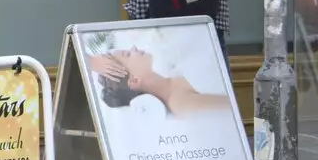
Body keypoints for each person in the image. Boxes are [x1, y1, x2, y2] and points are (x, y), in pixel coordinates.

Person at [86, 46, 234, 118]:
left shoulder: (176, 70)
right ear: (134, 80)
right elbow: (228, 114)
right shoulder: (182, 104)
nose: (134, 48)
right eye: (129, 54)